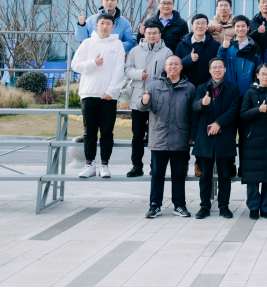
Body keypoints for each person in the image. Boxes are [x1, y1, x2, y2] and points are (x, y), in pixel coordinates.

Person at [139, 55, 196, 219]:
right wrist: (143, 101)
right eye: (170, 64)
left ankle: (179, 205)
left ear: (181, 67)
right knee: (157, 174)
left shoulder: (190, 88)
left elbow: (193, 114)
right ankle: (155, 205)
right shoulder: (153, 86)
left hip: (180, 138)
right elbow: (141, 107)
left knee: (179, 174)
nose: (173, 67)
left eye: (176, 64)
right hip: (159, 138)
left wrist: (192, 135)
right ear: (165, 67)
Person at [71, 13, 126, 179]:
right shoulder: (87, 43)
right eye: (102, 23)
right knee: (90, 132)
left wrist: (112, 91)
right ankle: (89, 165)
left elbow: (119, 70)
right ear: (96, 25)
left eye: (108, 23)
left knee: (107, 132)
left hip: (108, 96)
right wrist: (93, 63)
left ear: (113, 26)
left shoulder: (117, 44)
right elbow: (75, 65)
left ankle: (104, 165)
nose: (104, 26)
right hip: (89, 93)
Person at [191, 58, 241, 219]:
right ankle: (204, 206)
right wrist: (202, 102)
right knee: (205, 176)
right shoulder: (201, 88)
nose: (217, 70)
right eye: (214, 67)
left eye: (220, 67)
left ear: (225, 69)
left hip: (224, 137)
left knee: (225, 176)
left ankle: (223, 206)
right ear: (210, 70)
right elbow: (194, 107)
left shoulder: (233, 88)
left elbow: (234, 109)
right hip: (205, 138)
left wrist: (219, 123)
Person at [124, 19, 173, 178]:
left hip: (159, 98)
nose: (152, 36)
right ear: (144, 34)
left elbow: (170, 72)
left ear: (160, 35)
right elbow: (127, 69)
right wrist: (140, 74)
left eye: (155, 33)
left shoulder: (167, 52)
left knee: (156, 135)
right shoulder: (135, 51)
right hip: (138, 97)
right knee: (137, 134)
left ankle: (155, 167)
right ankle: (136, 166)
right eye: (149, 33)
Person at [216, 15, 261, 178]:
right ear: (233, 28)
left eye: (243, 26)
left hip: (246, 97)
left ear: (248, 28)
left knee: (245, 135)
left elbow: (258, 72)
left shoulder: (255, 48)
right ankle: (229, 166)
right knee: (228, 134)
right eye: (237, 26)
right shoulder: (228, 46)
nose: (240, 29)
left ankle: (244, 166)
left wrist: (253, 93)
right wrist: (223, 49)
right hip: (228, 96)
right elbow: (217, 65)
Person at [239, 64, 267, 220]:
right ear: (257, 75)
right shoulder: (250, 93)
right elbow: (243, 114)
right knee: (253, 177)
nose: (265, 77)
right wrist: (258, 110)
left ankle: (266, 208)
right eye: (262, 74)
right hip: (253, 141)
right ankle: (253, 207)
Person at [175, 14, 221, 89]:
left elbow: (217, 67)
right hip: (185, 87)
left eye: (203, 23)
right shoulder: (182, 45)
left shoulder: (215, 45)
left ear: (207, 27)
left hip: (207, 87)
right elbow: (175, 66)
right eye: (197, 23)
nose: (200, 26)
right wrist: (189, 59)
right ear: (192, 26)